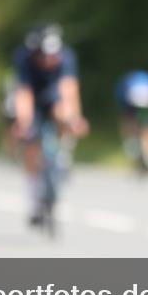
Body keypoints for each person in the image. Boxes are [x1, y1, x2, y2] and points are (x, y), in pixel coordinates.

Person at [12, 23, 89, 224]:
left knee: (63, 112)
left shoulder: (67, 57)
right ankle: (33, 201)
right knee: (31, 143)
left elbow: (69, 89)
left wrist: (75, 119)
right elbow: (24, 93)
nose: (47, 61)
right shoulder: (24, 58)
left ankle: (64, 151)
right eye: (43, 57)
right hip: (33, 97)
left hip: (54, 94)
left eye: (52, 57)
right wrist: (23, 122)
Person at [114, 70, 148, 172]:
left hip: (136, 96)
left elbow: (121, 102)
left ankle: (132, 144)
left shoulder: (125, 82)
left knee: (130, 121)